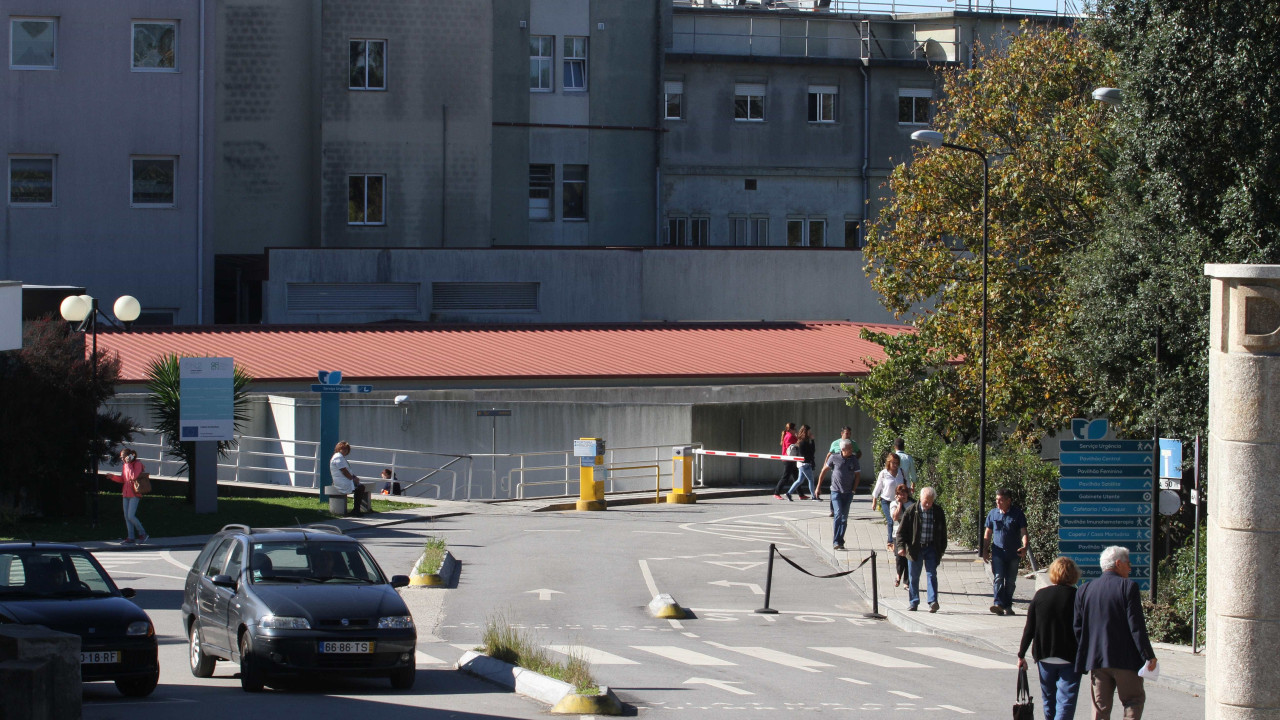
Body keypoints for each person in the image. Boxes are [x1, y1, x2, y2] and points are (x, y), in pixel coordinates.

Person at [1074, 546, 1158, 720]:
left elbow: (1078, 627)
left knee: (1100, 709)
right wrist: (1148, 655)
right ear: (1118, 563)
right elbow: (1136, 626)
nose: (1130, 567)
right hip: (1126, 661)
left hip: (1097, 661)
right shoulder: (1128, 587)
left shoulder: (1085, 589)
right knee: (1133, 701)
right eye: (1128, 563)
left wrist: (1087, 652)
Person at [1019, 557, 1083, 720]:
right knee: (1066, 701)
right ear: (1074, 575)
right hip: (1070, 656)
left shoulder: (1040, 595)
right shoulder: (1078, 597)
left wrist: (1021, 654)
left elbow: (1029, 628)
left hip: (1044, 655)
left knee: (1049, 700)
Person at [895, 486, 947, 612]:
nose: (928, 504)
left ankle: (933, 601)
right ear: (920, 497)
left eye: (931, 501)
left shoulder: (938, 511)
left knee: (931, 574)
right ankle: (914, 602)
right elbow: (901, 532)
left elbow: (943, 533)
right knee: (913, 576)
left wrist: (941, 550)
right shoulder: (911, 510)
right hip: (915, 548)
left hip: (931, 547)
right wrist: (901, 547)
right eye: (926, 501)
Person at [983, 487, 1030, 616]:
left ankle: (1008, 605)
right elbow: (988, 532)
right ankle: (998, 603)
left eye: (1001, 500)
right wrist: (985, 549)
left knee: (1010, 581)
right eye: (996, 500)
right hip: (998, 551)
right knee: (998, 577)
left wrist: (1025, 546)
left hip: (1013, 553)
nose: (998, 502)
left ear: (1009, 501)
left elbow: (1023, 532)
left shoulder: (1017, 513)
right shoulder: (993, 513)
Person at [816, 439, 860, 550]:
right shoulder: (834, 457)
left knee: (844, 519)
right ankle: (836, 541)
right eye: (849, 448)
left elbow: (857, 475)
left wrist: (853, 490)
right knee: (838, 514)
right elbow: (824, 470)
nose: (851, 450)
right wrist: (818, 487)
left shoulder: (853, 459)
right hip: (836, 491)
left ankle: (840, 540)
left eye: (851, 448)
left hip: (848, 493)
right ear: (843, 449)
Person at [109, 448, 148, 545]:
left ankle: (142, 533)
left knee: (131, 516)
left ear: (129, 456)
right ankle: (131, 537)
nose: (122, 459)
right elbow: (123, 479)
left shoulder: (137, 464)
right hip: (125, 494)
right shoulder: (125, 465)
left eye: (123, 457)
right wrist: (112, 477)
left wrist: (130, 464)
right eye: (121, 457)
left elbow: (133, 477)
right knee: (127, 517)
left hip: (135, 493)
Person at [871, 451, 907, 545]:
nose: (895, 465)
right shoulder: (884, 473)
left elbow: (905, 485)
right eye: (893, 463)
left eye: (897, 463)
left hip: (898, 501)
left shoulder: (901, 472)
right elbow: (877, 488)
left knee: (900, 520)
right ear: (889, 462)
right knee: (891, 520)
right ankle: (890, 541)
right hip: (886, 501)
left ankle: (898, 540)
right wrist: (874, 501)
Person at [818, 426, 862, 499]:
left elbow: (859, 453)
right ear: (842, 433)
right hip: (837, 467)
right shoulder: (835, 443)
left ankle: (846, 495)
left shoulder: (852, 443)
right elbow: (829, 454)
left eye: (850, 434)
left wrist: (854, 462)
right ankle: (835, 497)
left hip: (848, 468)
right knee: (836, 483)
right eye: (847, 433)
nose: (848, 436)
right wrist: (825, 464)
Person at [329, 441, 370, 517]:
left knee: (360, 487)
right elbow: (344, 471)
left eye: (346, 449)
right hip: (341, 481)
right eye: (343, 449)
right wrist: (353, 479)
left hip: (345, 480)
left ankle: (356, 509)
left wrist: (354, 477)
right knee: (360, 488)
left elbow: (347, 471)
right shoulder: (338, 458)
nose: (345, 451)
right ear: (339, 449)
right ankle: (356, 510)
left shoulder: (341, 457)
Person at [888, 483, 913, 587]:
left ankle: (906, 582)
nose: (903, 496)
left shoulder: (912, 504)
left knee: (908, 557)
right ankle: (898, 575)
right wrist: (900, 504)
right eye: (900, 494)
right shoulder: (893, 504)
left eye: (904, 494)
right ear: (897, 495)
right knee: (899, 556)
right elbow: (894, 517)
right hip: (897, 534)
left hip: (910, 534)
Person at [785, 425, 817, 501]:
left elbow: (811, 451)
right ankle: (813, 496)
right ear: (806, 432)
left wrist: (812, 441)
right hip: (804, 463)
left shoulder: (802, 441)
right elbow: (811, 452)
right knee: (811, 480)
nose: (810, 433)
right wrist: (812, 440)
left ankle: (789, 493)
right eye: (809, 431)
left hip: (802, 463)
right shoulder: (803, 442)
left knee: (800, 480)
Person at [773, 422, 799, 499]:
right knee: (786, 477)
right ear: (790, 429)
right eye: (794, 429)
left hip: (791, 459)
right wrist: (797, 439)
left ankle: (801, 494)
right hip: (788, 459)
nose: (795, 430)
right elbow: (791, 447)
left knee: (796, 477)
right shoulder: (790, 436)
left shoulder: (789, 435)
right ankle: (776, 492)